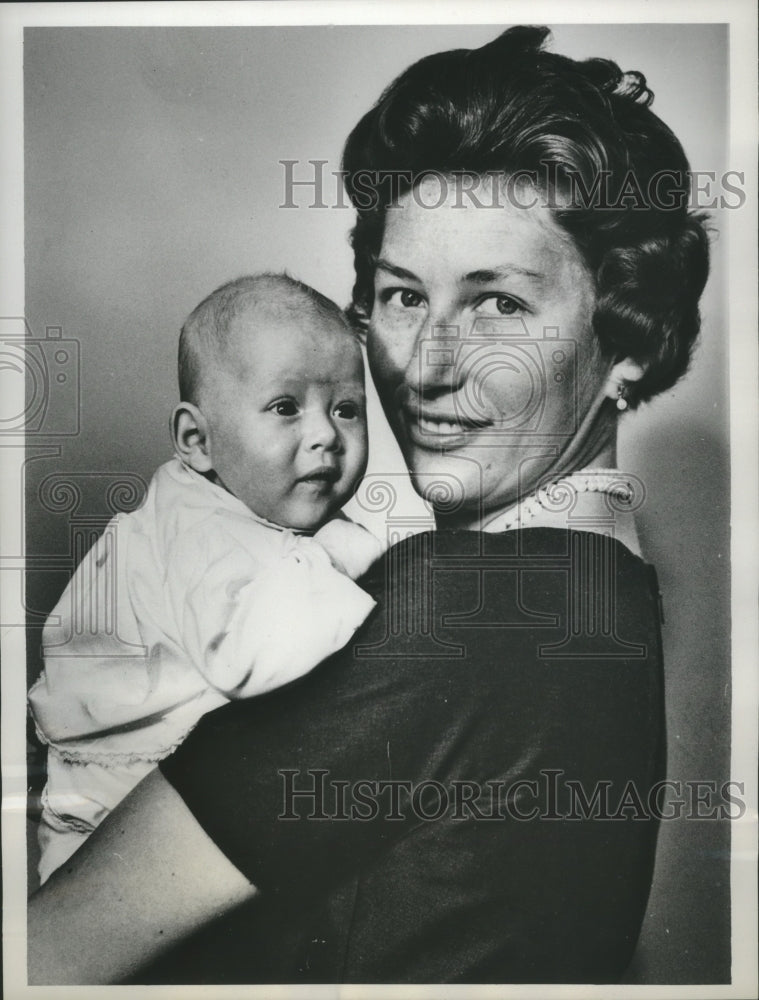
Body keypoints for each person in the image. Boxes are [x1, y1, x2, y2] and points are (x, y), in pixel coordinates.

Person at [27, 26, 710, 985]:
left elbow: (47, 956)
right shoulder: (605, 595)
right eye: (399, 297)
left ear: (630, 341)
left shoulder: (460, 610)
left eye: (498, 306)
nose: (425, 368)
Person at [28, 272, 383, 883]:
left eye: (346, 408)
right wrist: (345, 553)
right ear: (197, 440)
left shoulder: (225, 506)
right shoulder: (202, 535)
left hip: (139, 800)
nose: (326, 434)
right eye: (285, 407)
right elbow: (252, 658)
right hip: (107, 821)